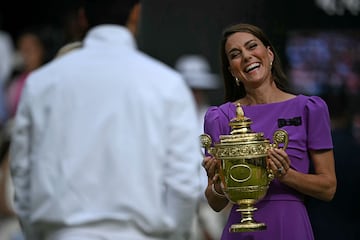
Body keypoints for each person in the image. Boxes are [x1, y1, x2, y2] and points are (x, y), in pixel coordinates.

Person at [9, 0, 202, 239]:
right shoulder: (167, 84)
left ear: (82, 18)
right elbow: (184, 181)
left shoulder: (41, 83)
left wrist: (38, 232)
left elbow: (21, 171)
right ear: (136, 13)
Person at [201, 23, 337, 240]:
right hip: (241, 230)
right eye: (235, 54)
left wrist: (286, 175)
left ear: (270, 54)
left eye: (252, 46)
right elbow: (215, 203)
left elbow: (328, 188)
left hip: (290, 227)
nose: (246, 56)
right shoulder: (221, 117)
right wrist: (219, 184)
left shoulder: (309, 108)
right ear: (232, 70)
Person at [175, 54, 227, 240]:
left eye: (198, 89)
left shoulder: (214, 119)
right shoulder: (169, 120)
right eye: (191, 89)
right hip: (178, 203)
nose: (195, 94)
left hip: (210, 203)